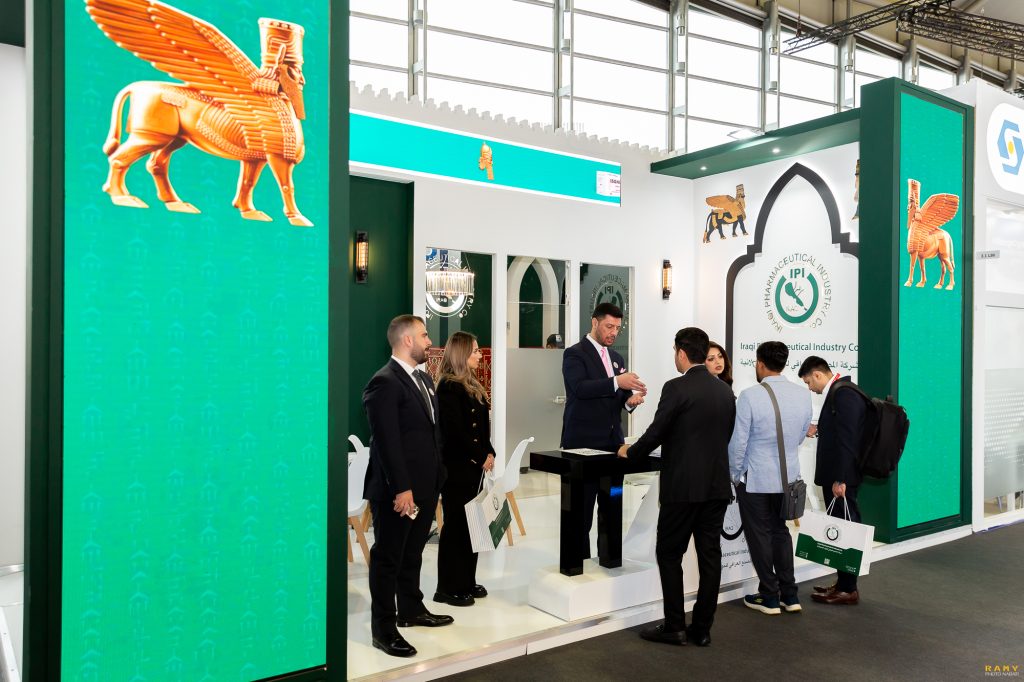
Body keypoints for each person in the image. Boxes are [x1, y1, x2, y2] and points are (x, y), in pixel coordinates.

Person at [617, 327, 736, 647]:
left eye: (675, 352)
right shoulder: (724, 391)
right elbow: (724, 436)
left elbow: (657, 431)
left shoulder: (676, 387)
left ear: (681, 353)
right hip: (716, 486)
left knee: (669, 553)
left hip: (683, 487)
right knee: (710, 557)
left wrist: (631, 451)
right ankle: (702, 629)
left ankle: (674, 626)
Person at [363, 315, 453, 658]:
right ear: (407, 340)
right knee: (388, 558)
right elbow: (386, 442)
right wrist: (402, 489)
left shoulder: (424, 378)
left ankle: (411, 609)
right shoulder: (384, 382)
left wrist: (438, 476)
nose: (429, 341)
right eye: (424, 335)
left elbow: (431, 432)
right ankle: (384, 630)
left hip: (426, 486)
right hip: (397, 491)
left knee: (413, 552)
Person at [728, 341, 812, 616]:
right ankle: (790, 595)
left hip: (756, 479)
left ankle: (769, 595)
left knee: (760, 535)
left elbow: (739, 443)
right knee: (781, 532)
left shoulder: (750, 396)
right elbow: (799, 436)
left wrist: (734, 474)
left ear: (760, 363)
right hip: (788, 479)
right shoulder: (802, 395)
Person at [561, 303, 646, 559]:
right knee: (580, 513)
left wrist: (630, 401)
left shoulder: (617, 358)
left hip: (613, 446)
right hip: (582, 445)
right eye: (609, 326)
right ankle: (577, 567)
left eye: (618, 328)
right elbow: (580, 388)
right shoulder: (574, 354)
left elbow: (618, 396)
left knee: (611, 507)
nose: (613, 333)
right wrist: (617, 381)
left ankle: (609, 563)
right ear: (595, 322)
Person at [798, 355, 866, 606]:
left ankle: (848, 589)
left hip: (842, 478)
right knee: (839, 527)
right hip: (839, 475)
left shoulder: (844, 394)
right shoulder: (840, 391)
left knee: (845, 529)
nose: (810, 388)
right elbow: (841, 431)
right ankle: (843, 583)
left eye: (808, 382)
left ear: (817, 375)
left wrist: (841, 479)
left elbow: (848, 440)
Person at [434, 331, 495, 607]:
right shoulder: (448, 387)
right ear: (461, 353)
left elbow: (481, 428)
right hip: (457, 469)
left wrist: (489, 451)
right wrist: (480, 455)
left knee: (473, 526)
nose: (479, 355)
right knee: (456, 527)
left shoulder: (471, 383)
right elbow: (455, 433)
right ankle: (448, 587)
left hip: (474, 468)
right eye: (475, 351)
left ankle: (466, 580)